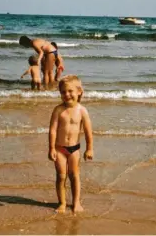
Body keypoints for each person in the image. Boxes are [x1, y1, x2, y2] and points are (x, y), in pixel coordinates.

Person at [48, 75, 93, 213]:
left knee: (74, 175)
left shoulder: (82, 110)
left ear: (79, 91)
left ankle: (76, 203)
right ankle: (62, 203)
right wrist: (51, 148)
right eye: (63, 92)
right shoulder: (58, 110)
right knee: (61, 176)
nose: (66, 94)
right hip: (59, 148)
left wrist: (89, 149)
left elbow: (88, 131)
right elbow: (52, 130)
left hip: (74, 149)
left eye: (70, 91)